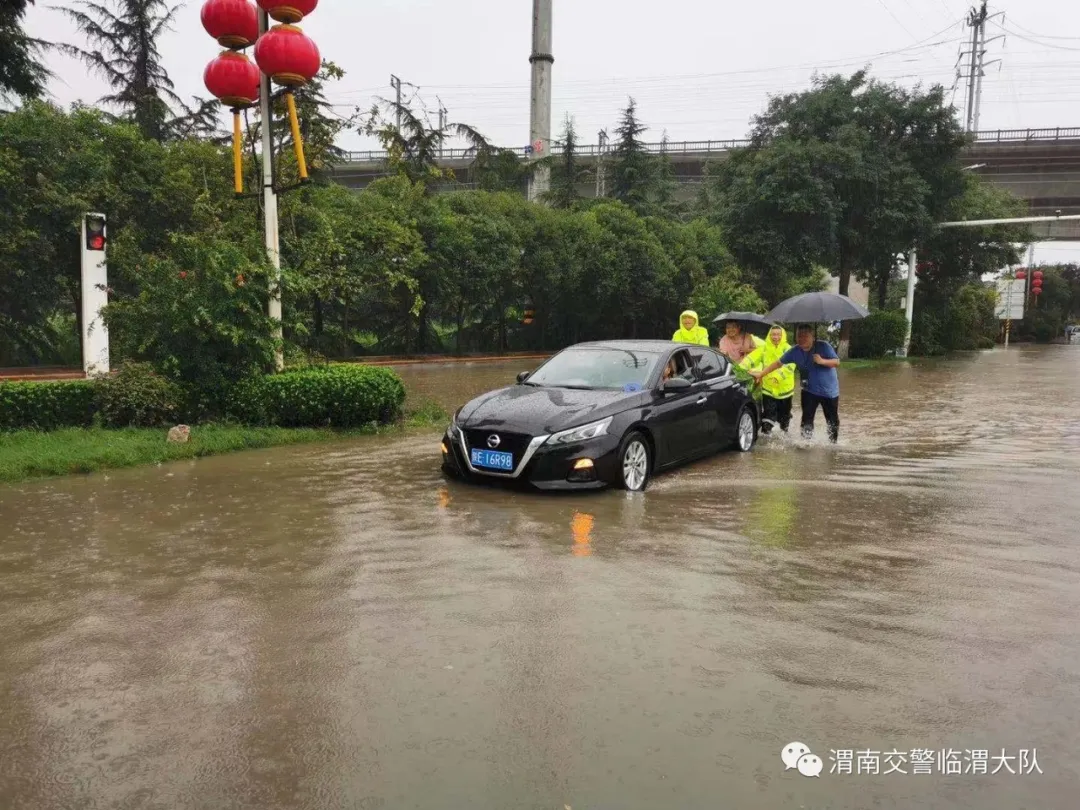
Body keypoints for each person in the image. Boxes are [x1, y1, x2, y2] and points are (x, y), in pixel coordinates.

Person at [750, 323, 841, 443]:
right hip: (809, 390)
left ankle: (833, 444)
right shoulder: (794, 351)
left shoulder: (823, 346)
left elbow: (836, 362)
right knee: (807, 420)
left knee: (832, 420)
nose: (801, 339)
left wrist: (822, 361)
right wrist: (761, 374)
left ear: (812, 336)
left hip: (829, 391)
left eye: (805, 336)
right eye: (799, 336)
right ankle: (806, 443)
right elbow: (777, 364)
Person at [740, 325, 795, 435]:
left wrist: (778, 376)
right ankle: (766, 438)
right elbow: (750, 359)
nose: (776, 337)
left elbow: (791, 366)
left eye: (778, 334)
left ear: (782, 335)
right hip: (768, 388)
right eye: (773, 334)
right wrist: (740, 369)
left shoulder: (788, 349)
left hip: (785, 390)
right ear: (769, 336)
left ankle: (785, 435)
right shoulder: (764, 348)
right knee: (768, 417)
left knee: (784, 420)